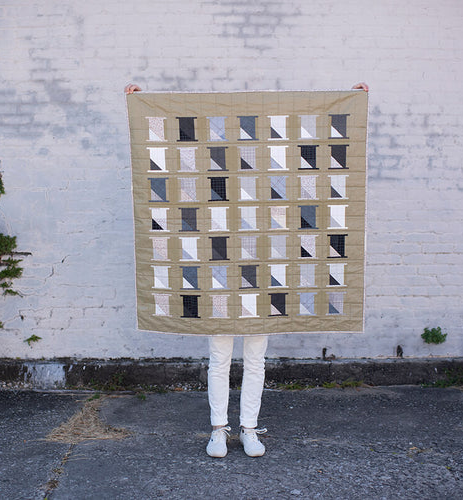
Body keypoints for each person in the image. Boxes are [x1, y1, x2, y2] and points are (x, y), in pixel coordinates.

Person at [125, 81, 369, 458]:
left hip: (265, 269)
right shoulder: (217, 160)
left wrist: (351, 98)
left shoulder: (271, 166)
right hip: (218, 272)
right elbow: (182, 173)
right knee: (219, 359)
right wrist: (141, 103)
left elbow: (302, 186)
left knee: (256, 360)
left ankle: (249, 428)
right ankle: (218, 430)